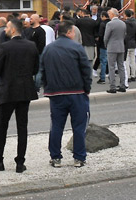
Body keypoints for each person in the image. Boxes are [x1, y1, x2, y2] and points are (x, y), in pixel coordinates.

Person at [0, 18, 37, 172]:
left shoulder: (5, 47)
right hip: (25, 90)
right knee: (22, 127)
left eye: (7, 27)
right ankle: (20, 162)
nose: (5, 30)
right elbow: (35, 68)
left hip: (8, 90)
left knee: (2, 127)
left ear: (13, 30)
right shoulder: (31, 46)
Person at [41, 21, 92, 168]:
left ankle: (55, 157)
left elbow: (42, 70)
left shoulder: (48, 49)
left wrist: (48, 87)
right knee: (79, 126)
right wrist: (86, 89)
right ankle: (79, 157)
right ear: (69, 32)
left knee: (56, 126)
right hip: (77, 92)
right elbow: (86, 71)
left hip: (56, 93)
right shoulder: (77, 48)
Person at [103, 9, 126, 94]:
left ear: (112, 14)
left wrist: (106, 45)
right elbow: (124, 35)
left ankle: (112, 86)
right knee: (121, 66)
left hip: (112, 47)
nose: (108, 15)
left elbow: (106, 37)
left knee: (111, 67)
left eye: (109, 13)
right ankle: (122, 85)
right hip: (121, 46)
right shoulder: (123, 23)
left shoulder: (110, 24)